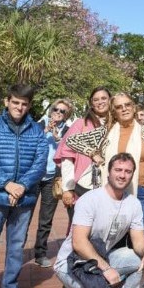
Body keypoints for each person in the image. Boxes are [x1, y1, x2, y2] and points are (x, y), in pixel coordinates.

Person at [0, 84, 49, 288]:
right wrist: (7, 184)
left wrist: (21, 186)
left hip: (24, 198)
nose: (19, 107)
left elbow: (40, 163)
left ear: (29, 106)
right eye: (15, 102)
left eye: (24, 104)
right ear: (7, 101)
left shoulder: (37, 131)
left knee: (16, 247)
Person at [54, 153, 144, 288]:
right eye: (118, 170)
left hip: (102, 258)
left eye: (128, 171)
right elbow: (79, 243)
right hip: (71, 263)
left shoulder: (133, 204)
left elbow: (138, 239)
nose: (122, 175)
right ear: (108, 173)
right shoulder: (89, 200)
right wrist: (107, 269)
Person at [65, 92, 144, 219]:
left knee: (140, 235)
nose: (124, 108)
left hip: (140, 193)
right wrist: (93, 153)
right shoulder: (106, 132)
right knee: (109, 236)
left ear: (133, 107)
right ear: (114, 111)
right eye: (119, 107)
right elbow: (71, 140)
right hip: (109, 192)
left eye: (127, 104)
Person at [55, 87, 112, 216]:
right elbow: (67, 157)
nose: (100, 102)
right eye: (96, 99)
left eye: (104, 98)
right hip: (82, 185)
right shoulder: (81, 124)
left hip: (110, 185)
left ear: (110, 100)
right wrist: (68, 188)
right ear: (91, 103)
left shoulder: (116, 125)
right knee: (79, 228)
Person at [33, 98, 74, 268]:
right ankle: (15, 252)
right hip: (33, 177)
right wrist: (44, 132)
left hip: (52, 179)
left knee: (46, 218)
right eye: (55, 109)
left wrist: (58, 140)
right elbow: (29, 144)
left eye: (62, 111)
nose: (57, 112)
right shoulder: (39, 124)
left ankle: (40, 253)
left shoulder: (68, 130)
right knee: (23, 216)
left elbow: (69, 153)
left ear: (67, 115)